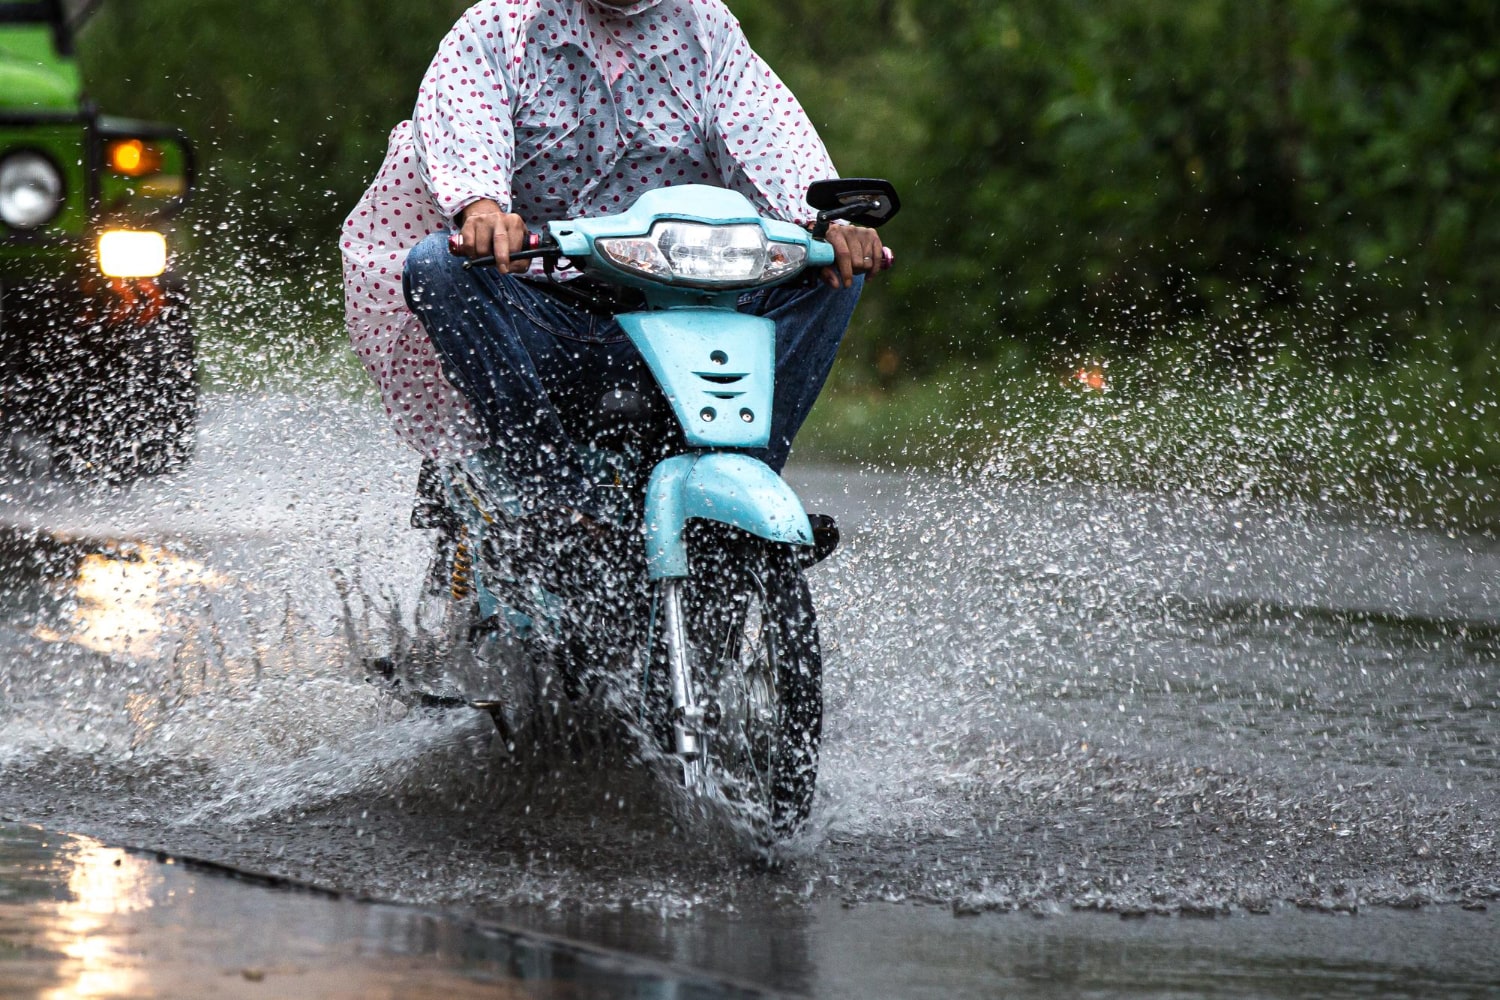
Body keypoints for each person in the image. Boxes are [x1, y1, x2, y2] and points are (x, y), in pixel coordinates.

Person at [340, 0, 888, 528]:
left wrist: (827, 224)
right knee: (436, 264)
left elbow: (766, 136)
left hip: (677, 322)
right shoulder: (502, 23)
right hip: (537, 317)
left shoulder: (705, 26)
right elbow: (467, 116)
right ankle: (550, 496)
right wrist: (482, 206)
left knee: (830, 272)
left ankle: (736, 488)